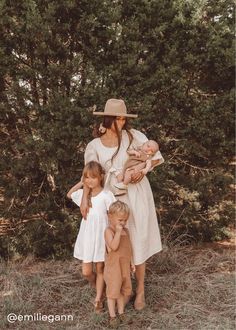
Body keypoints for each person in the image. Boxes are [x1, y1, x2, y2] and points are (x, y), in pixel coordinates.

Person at [80, 98, 164, 310]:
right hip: (111, 198)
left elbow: (152, 158)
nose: (121, 122)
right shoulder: (94, 145)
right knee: (116, 245)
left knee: (138, 240)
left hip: (136, 193)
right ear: (107, 119)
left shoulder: (134, 136)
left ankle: (141, 290)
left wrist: (142, 171)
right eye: (117, 118)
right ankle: (119, 288)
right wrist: (84, 197)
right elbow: (89, 174)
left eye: (123, 118)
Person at [67, 161, 116, 313]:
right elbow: (69, 194)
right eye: (87, 177)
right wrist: (81, 183)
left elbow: (112, 216)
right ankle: (99, 288)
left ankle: (98, 298)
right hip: (88, 237)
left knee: (100, 268)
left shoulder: (107, 195)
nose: (90, 180)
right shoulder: (84, 195)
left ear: (101, 177)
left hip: (101, 236)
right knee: (87, 271)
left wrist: (112, 237)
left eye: (93, 177)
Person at [104, 201, 135, 326]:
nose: (123, 223)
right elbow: (114, 247)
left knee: (122, 291)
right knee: (112, 292)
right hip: (113, 268)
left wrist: (131, 262)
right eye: (120, 220)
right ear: (110, 217)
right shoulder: (109, 231)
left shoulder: (126, 231)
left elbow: (129, 248)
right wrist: (117, 232)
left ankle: (121, 312)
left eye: (125, 220)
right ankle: (112, 316)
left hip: (124, 267)